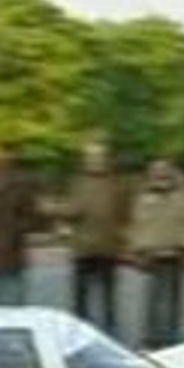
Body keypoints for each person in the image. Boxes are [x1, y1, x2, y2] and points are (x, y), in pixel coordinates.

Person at [128, 159, 184, 348]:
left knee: (174, 299)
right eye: (156, 170)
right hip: (153, 253)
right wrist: (138, 249)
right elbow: (139, 223)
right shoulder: (144, 195)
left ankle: (171, 337)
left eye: (163, 170)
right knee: (153, 299)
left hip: (177, 252)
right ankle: (151, 338)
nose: (160, 174)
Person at [61, 142, 129, 333]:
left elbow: (124, 213)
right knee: (81, 297)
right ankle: (77, 331)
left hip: (108, 247)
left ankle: (109, 333)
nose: (95, 162)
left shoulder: (116, 184)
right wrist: (68, 210)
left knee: (109, 298)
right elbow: (70, 210)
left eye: (99, 157)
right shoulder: (77, 183)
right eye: (91, 158)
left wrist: (123, 239)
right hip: (83, 248)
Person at [0, 142, 42, 306]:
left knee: (8, 315)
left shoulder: (22, 186)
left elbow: (33, 219)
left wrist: (11, 234)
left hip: (7, 262)